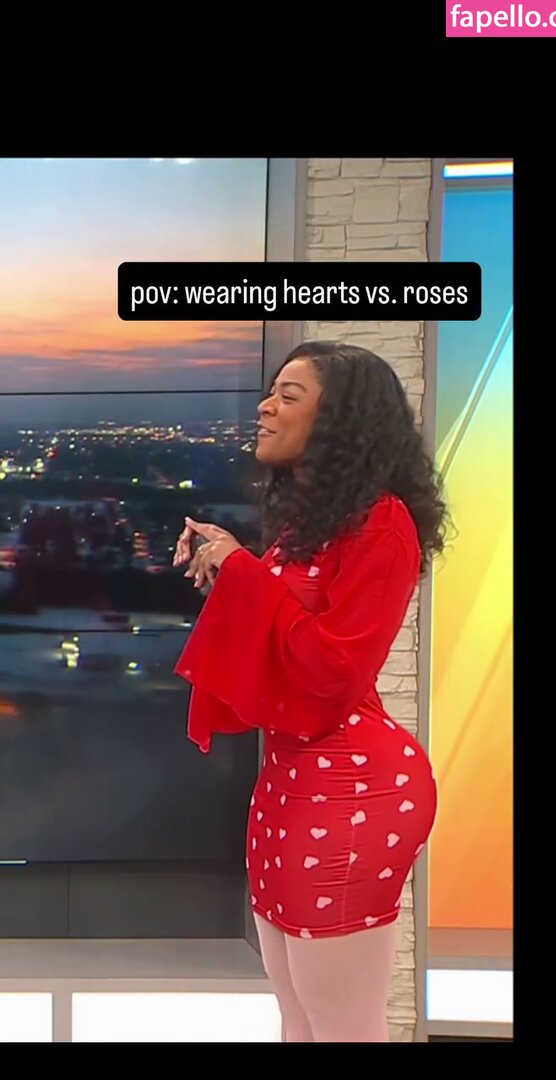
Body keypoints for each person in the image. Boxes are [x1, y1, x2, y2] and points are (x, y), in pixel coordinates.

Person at [172, 341, 447, 1043]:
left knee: (344, 1027)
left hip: (354, 789)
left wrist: (245, 573)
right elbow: (277, 637)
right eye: (271, 391)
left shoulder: (383, 523)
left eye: (288, 396)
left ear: (339, 420)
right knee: (299, 1018)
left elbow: (332, 670)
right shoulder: (310, 528)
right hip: (289, 787)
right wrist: (228, 560)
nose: (265, 406)